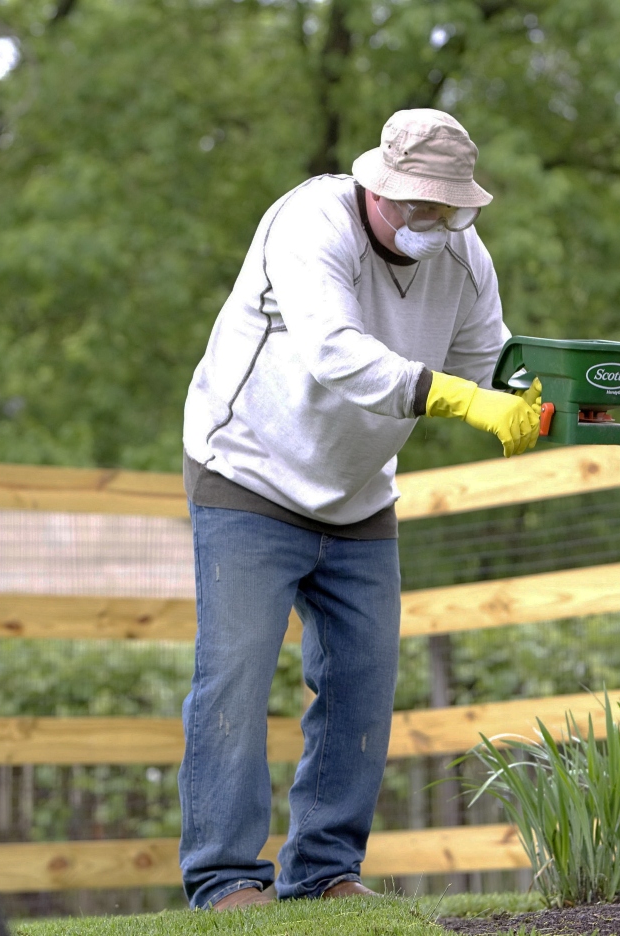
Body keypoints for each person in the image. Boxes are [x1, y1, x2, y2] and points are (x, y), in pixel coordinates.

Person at [178, 109, 540, 910]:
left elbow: (488, 361)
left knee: (364, 682)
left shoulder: (462, 258)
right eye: (418, 205)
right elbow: (334, 350)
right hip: (248, 469)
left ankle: (325, 871)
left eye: (448, 209)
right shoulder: (309, 223)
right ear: (377, 186)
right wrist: (457, 400)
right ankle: (224, 878)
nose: (432, 222)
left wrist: (548, 399)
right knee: (234, 677)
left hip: (360, 490)